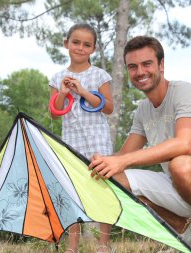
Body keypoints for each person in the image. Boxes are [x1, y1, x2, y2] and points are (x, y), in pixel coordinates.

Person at [89, 36, 191, 253]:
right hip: (180, 189)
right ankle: (185, 229)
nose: (140, 72)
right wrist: (98, 162)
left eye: (147, 64)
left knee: (180, 164)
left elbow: (183, 145)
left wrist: (122, 160)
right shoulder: (143, 110)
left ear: (161, 65)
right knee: (113, 178)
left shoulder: (184, 92)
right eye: (133, 67)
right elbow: (122, 158)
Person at [48, 23, 114, 253]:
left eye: (87, 44)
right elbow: (54, 112)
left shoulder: (99, 75)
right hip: (71, 141)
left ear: (94, 49)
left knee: (103, 188)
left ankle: (104, 244)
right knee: (73, 191)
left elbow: (108, 107)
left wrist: (83, 92)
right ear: (66, 43)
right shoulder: (57, 78)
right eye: (75, 42)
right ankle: (72, 247)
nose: (80, 48)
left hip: (97, 140)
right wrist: (64, 93)